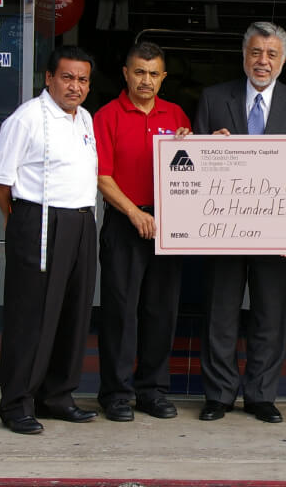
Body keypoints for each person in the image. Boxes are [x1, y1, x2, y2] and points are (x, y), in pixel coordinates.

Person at [194, 21, 286, 424]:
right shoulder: (214, 99)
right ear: (244, 55)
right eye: (255, 52)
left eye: (271, 54)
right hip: (223, 230)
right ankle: (219, 394)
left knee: (270, 314)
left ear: (283, 60)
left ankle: (262, 395)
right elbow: (192, 166)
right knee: (220, 313)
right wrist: (205, 147)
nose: (262, 61)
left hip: (277, 232)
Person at [0, 45, 98, 435]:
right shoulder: (28, 118)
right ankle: (16, 402)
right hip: (40, 219)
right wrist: (16, 220)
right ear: (49, 78)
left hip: (82, 221)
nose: (75, 86)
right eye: (67, 77)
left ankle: (57, 395)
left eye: (82, 79)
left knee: (72, 312)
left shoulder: (84, 119)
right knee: (31, 316)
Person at [93, 41, 191, 422]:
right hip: (124, 221)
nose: (146, 80)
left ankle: (152, 390)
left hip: (168, 225)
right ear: (126, 73)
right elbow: (102, 176)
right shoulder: (106, 116)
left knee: (161, 312)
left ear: (163, 77)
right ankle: (116, 394)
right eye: (139, 72)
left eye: (153, 74)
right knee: (120, 311)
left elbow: (195, 169)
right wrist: (134, 213)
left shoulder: (177, 114)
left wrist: (196, 142)